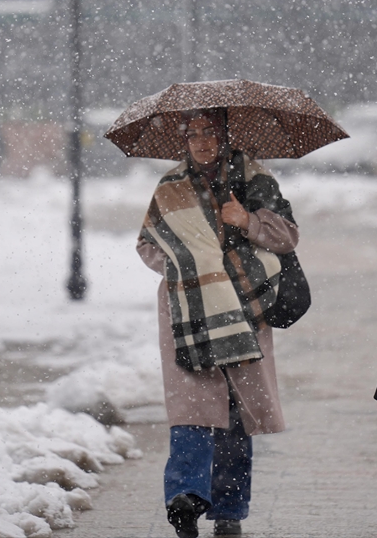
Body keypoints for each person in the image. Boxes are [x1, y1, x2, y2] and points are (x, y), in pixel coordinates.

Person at [137, 108, 299, 538]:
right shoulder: (170, 187)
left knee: (233, 411)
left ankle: (229, 511)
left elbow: (287, 237)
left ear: (225, 135)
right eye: (193, 134)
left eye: (210, 132)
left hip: (244, 307)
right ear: (183, 140)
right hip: (187, 311)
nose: (202, 141)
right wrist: (184, 265)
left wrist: (246, 221)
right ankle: (184, 498)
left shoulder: (256, 180)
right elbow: (148, 245)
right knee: (192, 406)